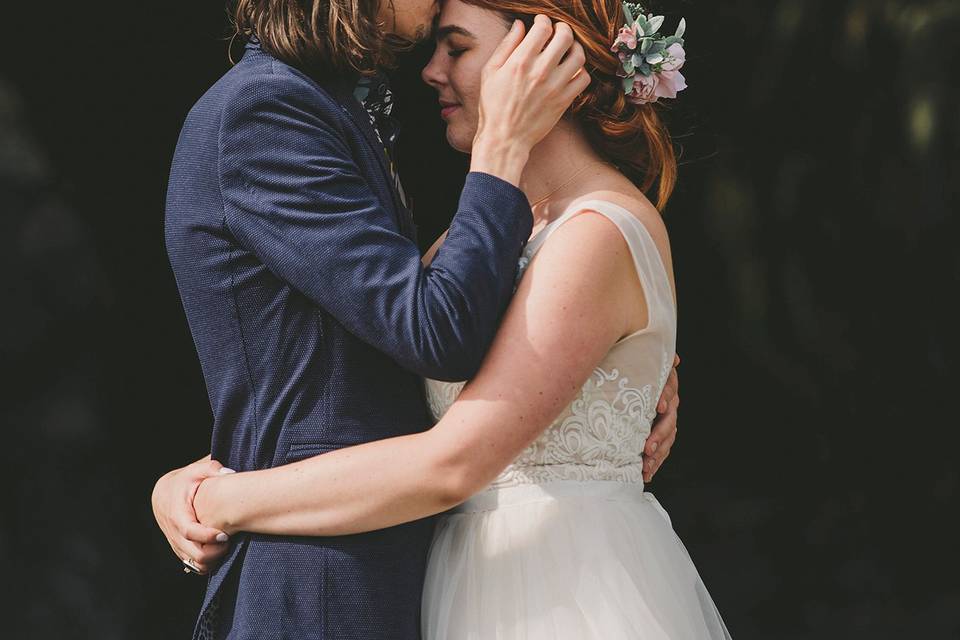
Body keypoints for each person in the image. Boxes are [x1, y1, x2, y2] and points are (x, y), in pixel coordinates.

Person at [156, 0, 683, 638]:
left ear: (545, 55)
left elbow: (451, 446)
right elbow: (426, 331)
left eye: (456, 48)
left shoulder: (593, 231)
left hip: (555, 590)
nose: (430, 70)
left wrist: (218, 498)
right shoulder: (273, 113)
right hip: (394, 583)